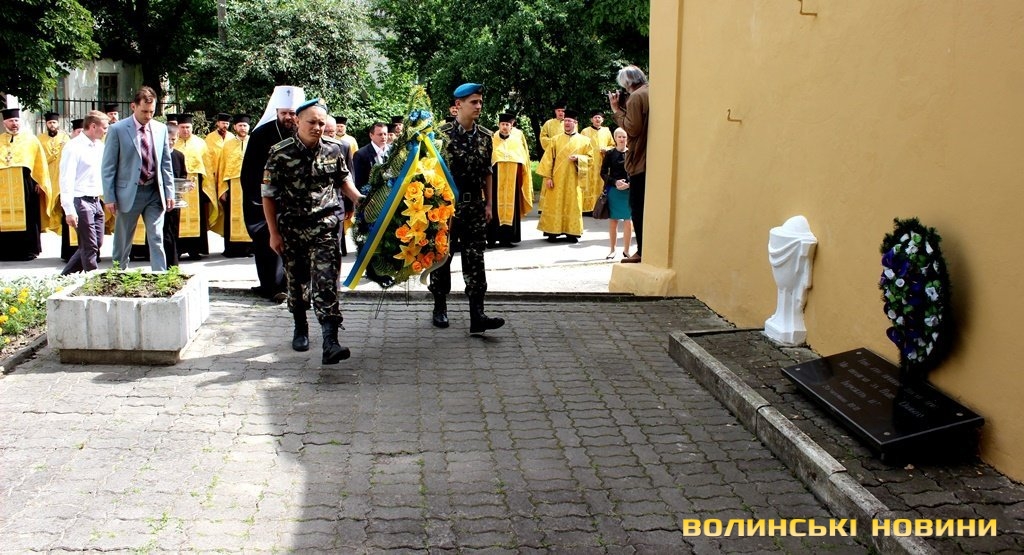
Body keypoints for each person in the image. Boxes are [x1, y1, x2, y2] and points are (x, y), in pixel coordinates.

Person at [262, 99, 363, 364]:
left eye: (321, 123)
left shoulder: (333, 149)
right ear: (297, 121)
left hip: (325, 227)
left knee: (326, 280)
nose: (317, 127)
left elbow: (343, 179)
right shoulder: (280, 153)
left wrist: (358, 198)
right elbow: (268, 195)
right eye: (312, 122)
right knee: (297, 282)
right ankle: (300, 325)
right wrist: (273, 233)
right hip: (292, 229)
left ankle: (330, 341)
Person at [430, 83, 505, 336]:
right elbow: (430, 171)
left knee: (475, 259)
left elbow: (487, 171)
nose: (479, 106)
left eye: (480, 102)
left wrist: (489, 204)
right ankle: (440, 306)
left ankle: (477, 315)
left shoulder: (485, 136)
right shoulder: (440, 135)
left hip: (474, 206)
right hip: (447, 208)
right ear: (458, 105)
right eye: (474, 102)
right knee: (443, 257)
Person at [241, 85, 305, 302]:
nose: (288, 117)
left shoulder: (305, 132)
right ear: (276, 112)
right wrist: (256, 199)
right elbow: (249, 172)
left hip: (296, 200)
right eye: (284, 113)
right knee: (267, 242)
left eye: (292, 113)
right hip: (266, 199)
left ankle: (290, 286)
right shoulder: (260, 135)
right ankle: (271, 286)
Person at [101, 86, 175, 271]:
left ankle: (160, 276)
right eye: (144, 111)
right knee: (123, 240)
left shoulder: (160, 129)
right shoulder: (117, 130)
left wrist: (169, 192)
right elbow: (108, 167)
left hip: (154, 192)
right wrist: (109, 197)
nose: (148, 116)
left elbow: (166, 163)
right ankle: (118, 275)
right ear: (133, 106)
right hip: (128, 194)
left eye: (152, 112)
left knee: (156, 236)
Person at [0, 108, 53, 261]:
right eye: (11, 121)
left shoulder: (31, 140)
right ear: (4, 123)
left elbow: (39, 162)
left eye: (16, 120)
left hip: (26, 184)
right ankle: (4, 251)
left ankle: (28, 250)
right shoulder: (0, 140)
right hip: (3, 186)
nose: (14, 123)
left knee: (29, 216)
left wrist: (40, 182)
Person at [608, 65, 649, 264]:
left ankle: (642, 250)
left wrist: (617, 111)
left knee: (637, 208)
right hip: (651, 157)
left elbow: (632, 129)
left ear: (627, 83)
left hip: (640, 159)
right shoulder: (650, 91)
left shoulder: (636, 97)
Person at [60, 111, 109, 274]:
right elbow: (66, 179)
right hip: (80, 200)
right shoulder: (73, 147)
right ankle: (92, 280)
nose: (106, 131)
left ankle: (64, 278)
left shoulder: (100, 146)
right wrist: (69, 210)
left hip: (96, 200)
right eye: (104, 128)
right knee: (89, 246)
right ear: (93, 126)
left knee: (97, 243)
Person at [536, 109, 592, 243]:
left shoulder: (585, 141)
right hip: (557, 179)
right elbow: (548, 159)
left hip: (574, 179)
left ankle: (572, 233)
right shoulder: (555, 140)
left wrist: (579, 158)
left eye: (569, 121)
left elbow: (591, 159)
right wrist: (548, 177)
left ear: (575, 123)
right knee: (554, 204)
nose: (566, 123)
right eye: (565, 121)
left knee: (573, 204)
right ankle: (552, 232)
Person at [173, 114, 216, 259]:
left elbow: (207, 166)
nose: (185, 130)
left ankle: (195, 249)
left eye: (188, 127)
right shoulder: (172, 142)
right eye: (182, 127)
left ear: (192, 128)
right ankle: (177, 249)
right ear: (178, 128)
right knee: (177, 217)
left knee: (197, 218)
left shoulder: (200, 143)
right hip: (177, 184)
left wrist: (207, 187)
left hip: (196, 185)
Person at [487, 113, 532, 248]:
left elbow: (523, 160)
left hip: (513, 181)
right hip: (495, 181)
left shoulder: (516, 142)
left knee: (511, 208)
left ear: (511, 126)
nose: (505, 127)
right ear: (499, 125)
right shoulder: (492, 140)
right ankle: (492, 239)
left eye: (507, 124)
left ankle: (507, 239)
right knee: (494, 207)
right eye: (502, 124)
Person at [38, 111, 75, 261]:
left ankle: (60, 225)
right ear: (46, 124)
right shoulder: (40, 139)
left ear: (58, 123)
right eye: (49, 123)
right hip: (47, 175)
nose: (52, 125)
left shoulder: (65, 138)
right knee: (49, 202)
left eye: (54, 122)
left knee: (62, 203)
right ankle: (51, 224)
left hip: (61, 175)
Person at [217, 114, 252, 258]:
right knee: (232, 217)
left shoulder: (253, 142)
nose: (242, 128)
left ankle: (250, 248)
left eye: (245, 125)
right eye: (240, 125)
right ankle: (232, 249)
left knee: (250, 214)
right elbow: (222, 167)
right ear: (235, 127)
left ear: (249, 127)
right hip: (233, 186)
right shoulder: (228, 145)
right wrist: (222, 189)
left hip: (250, 184)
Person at [600, 127, 633, 260]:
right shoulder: (610, 154)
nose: (622, 139)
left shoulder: (631, 153)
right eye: (619, 136)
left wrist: (629, 184)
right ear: (615, 138)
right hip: (613, 191)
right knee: (613, 221)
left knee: (628, 221)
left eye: (624, 137)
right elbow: (603, 172)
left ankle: (627, 251)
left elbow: (636, 172)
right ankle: (612, 250)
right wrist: (615, 182)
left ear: (627, 139)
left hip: (628, 191)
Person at [580, 109, 614, 213]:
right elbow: (580, 146)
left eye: (599, 117)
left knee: (601, 185)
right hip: (589, 163)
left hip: (602, 163)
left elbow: (612, 145)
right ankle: (587, 209)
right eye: (595, 117)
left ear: (602, 120)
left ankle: (600, 208)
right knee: (588, 185)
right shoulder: (585, 131)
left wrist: (607, 149)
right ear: (591, 119)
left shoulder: (606, 131)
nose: (597, 119)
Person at [204, 112, 234, 191]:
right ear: (218, 123)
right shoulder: (210, 137)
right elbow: (206, 155)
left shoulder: (232, 137)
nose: (225, 125)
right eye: (223, 123)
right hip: (215, 170)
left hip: (227, 170)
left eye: (227, 124)